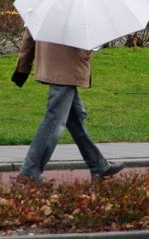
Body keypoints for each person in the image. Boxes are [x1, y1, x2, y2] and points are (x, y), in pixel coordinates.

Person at [11, 28, 125, 182]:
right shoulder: (78, 6)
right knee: (54, 121)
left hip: (54, 65)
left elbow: (31, 30)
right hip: (67, 67)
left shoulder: (47, 5)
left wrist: (23, 66)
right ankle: (29, 172)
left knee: (74, 119)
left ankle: (99, 166)